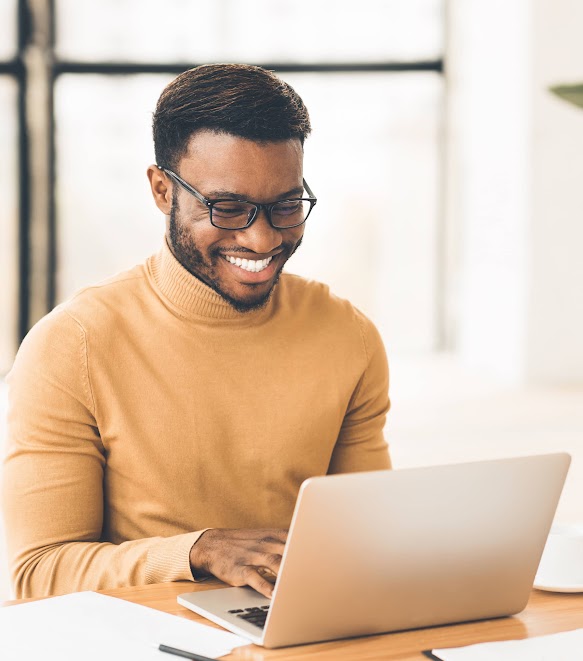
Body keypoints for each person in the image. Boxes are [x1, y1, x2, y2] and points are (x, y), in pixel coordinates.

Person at [2, 64, 391, 600]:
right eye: (228, 209)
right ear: (163, 190)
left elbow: (371, 534)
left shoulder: (349, 336)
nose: (260, 239)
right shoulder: (73, 345)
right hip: (140, 638)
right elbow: (38, 573)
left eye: (284, 206)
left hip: (300, 627)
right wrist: (198, 550)